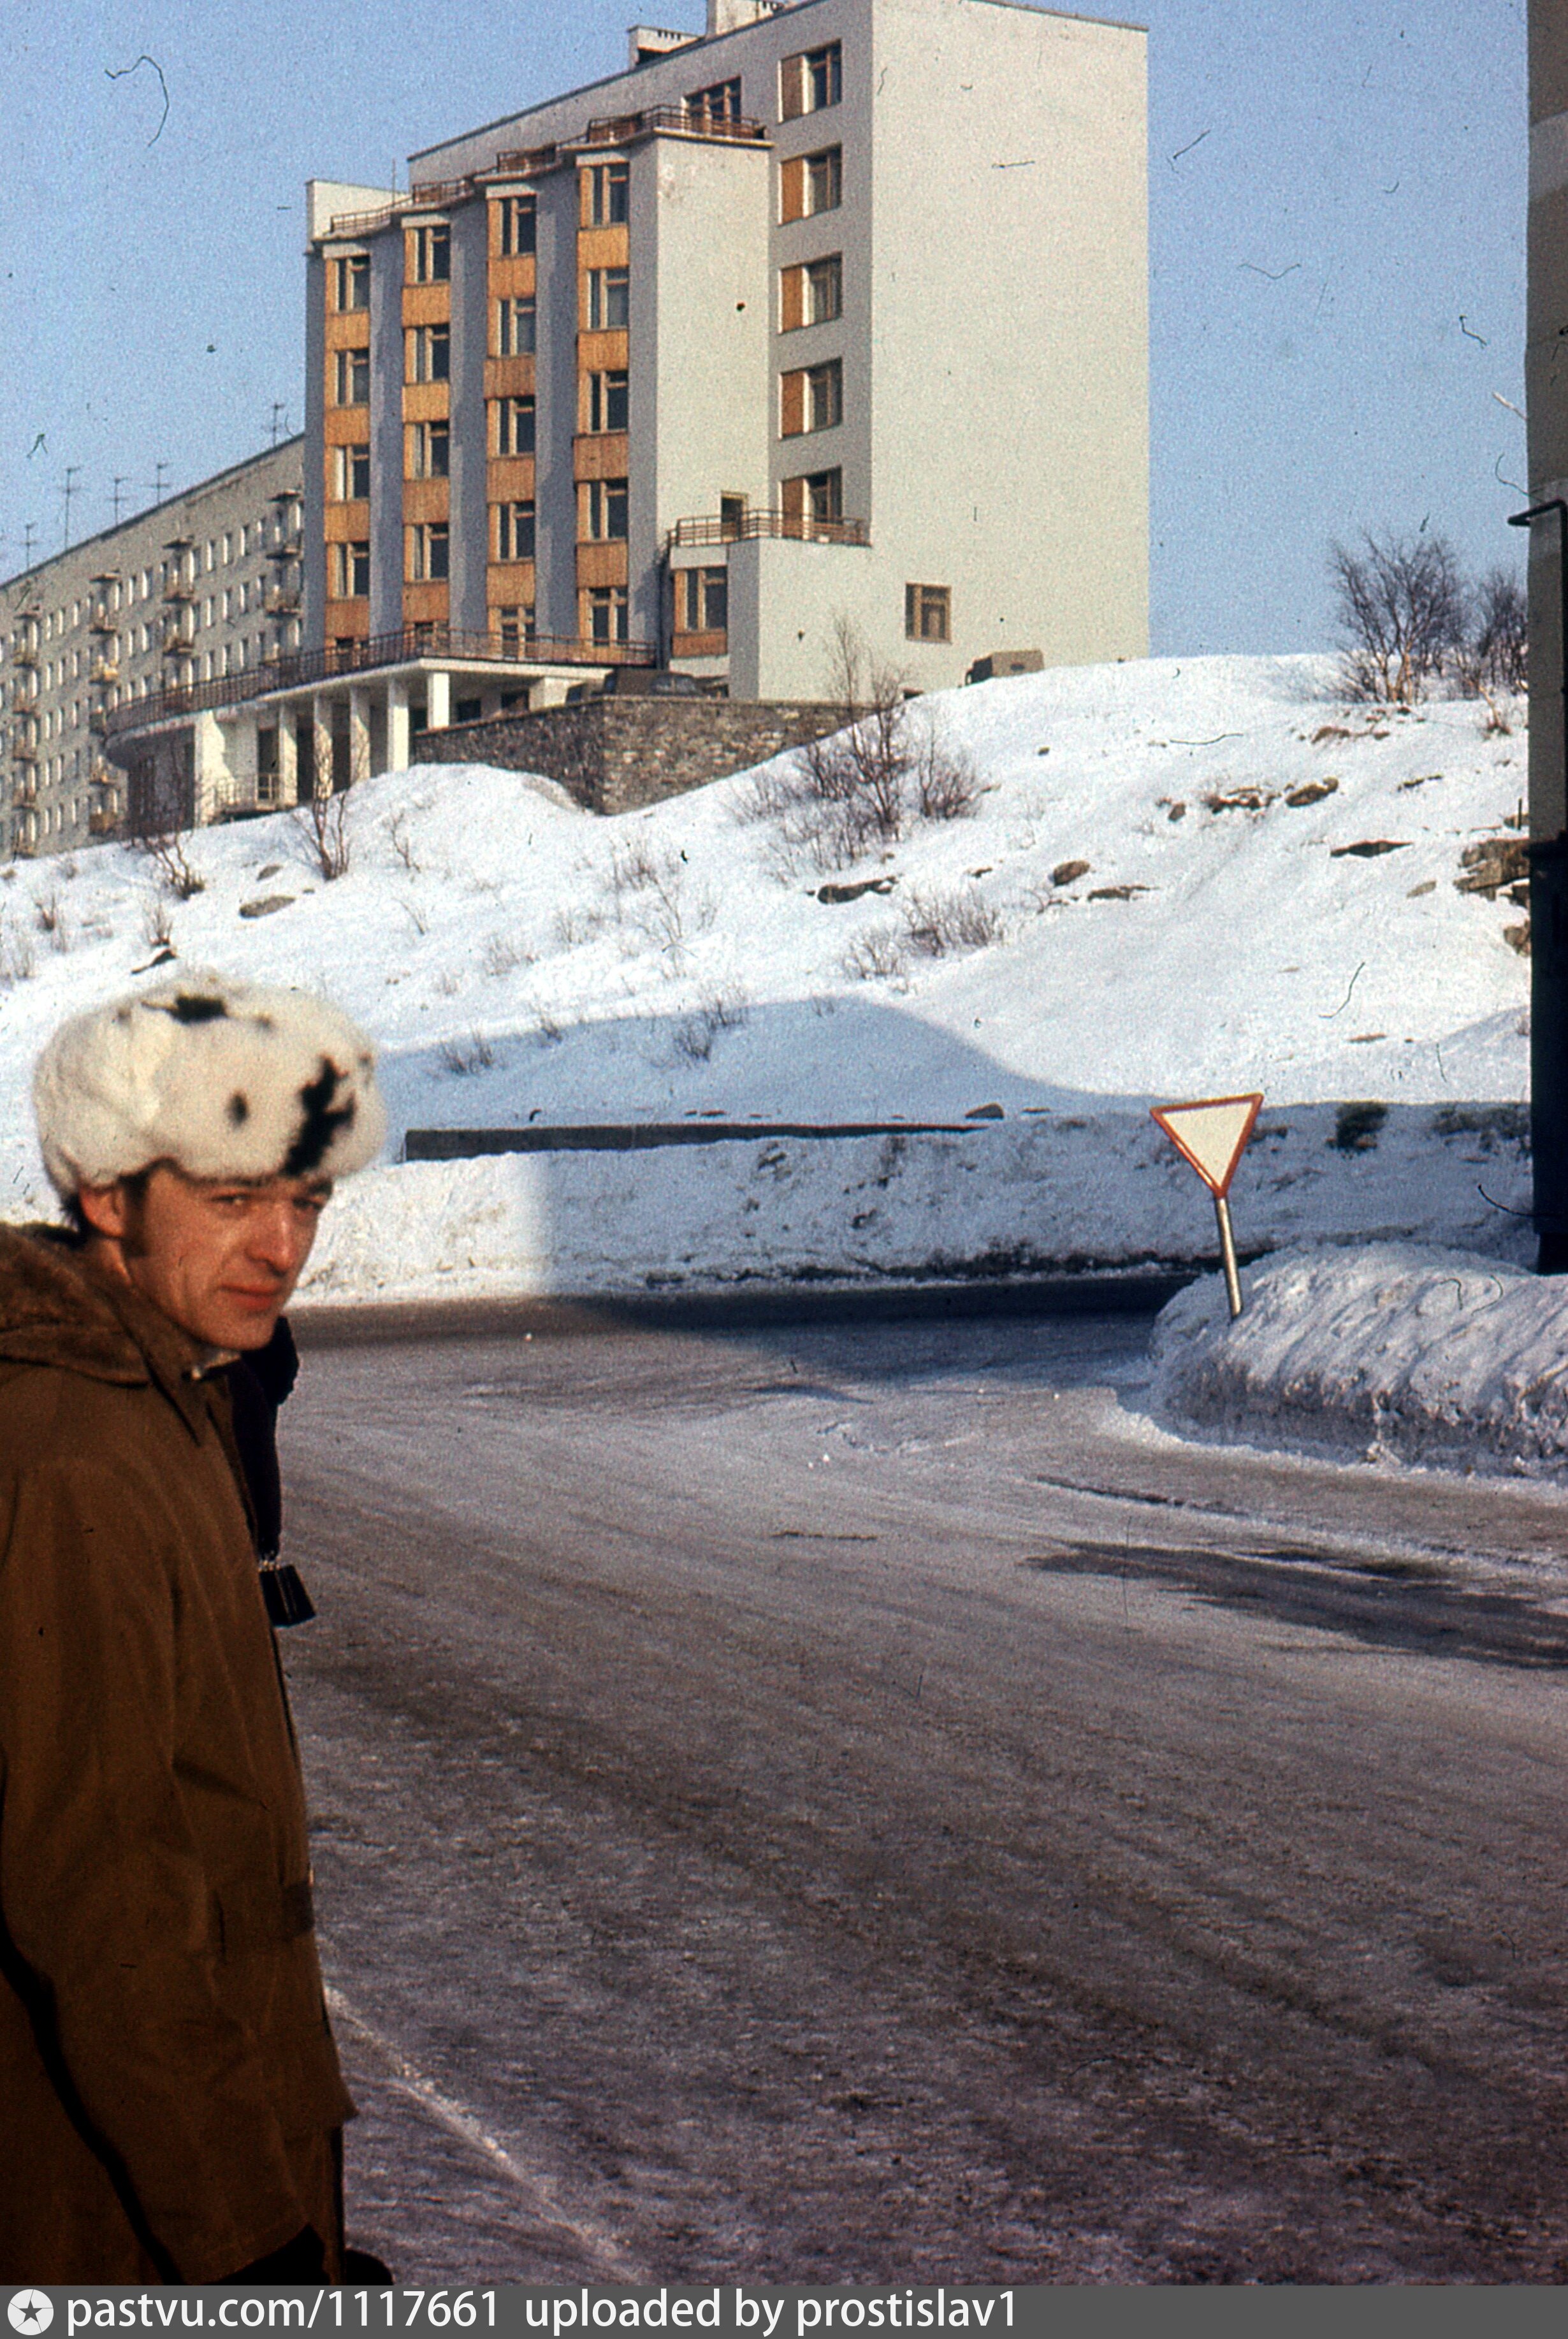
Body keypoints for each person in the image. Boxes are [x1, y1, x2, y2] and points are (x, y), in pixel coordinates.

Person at [0, 971, 389, 2284]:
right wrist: (254, 2241)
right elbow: (100, 1892)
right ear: (108, 1196)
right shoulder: (78, 1450)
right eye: (231, 1201)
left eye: (308, 1200)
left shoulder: (165, 1396)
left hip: (204, 2166)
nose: (281, 1247)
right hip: (131, 2211)